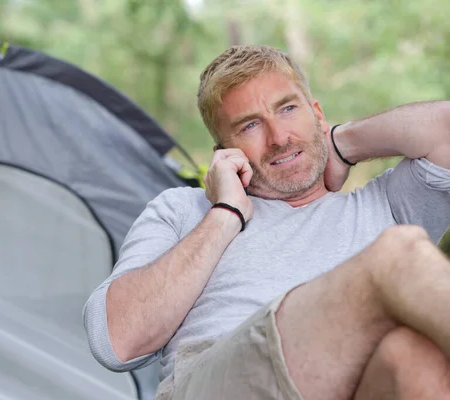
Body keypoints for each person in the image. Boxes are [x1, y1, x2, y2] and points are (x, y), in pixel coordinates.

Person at [83, 44, 450, 399]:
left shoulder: (385, 204)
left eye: (288, 109)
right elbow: (116, 340)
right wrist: (226, 214)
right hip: (218, 382)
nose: (278, 138)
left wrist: (345, 142)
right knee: (399, 253)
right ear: (223, 153)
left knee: (413, 360)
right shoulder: (183, 210)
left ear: (318, 115)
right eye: (249, 126)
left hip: (355, 382)